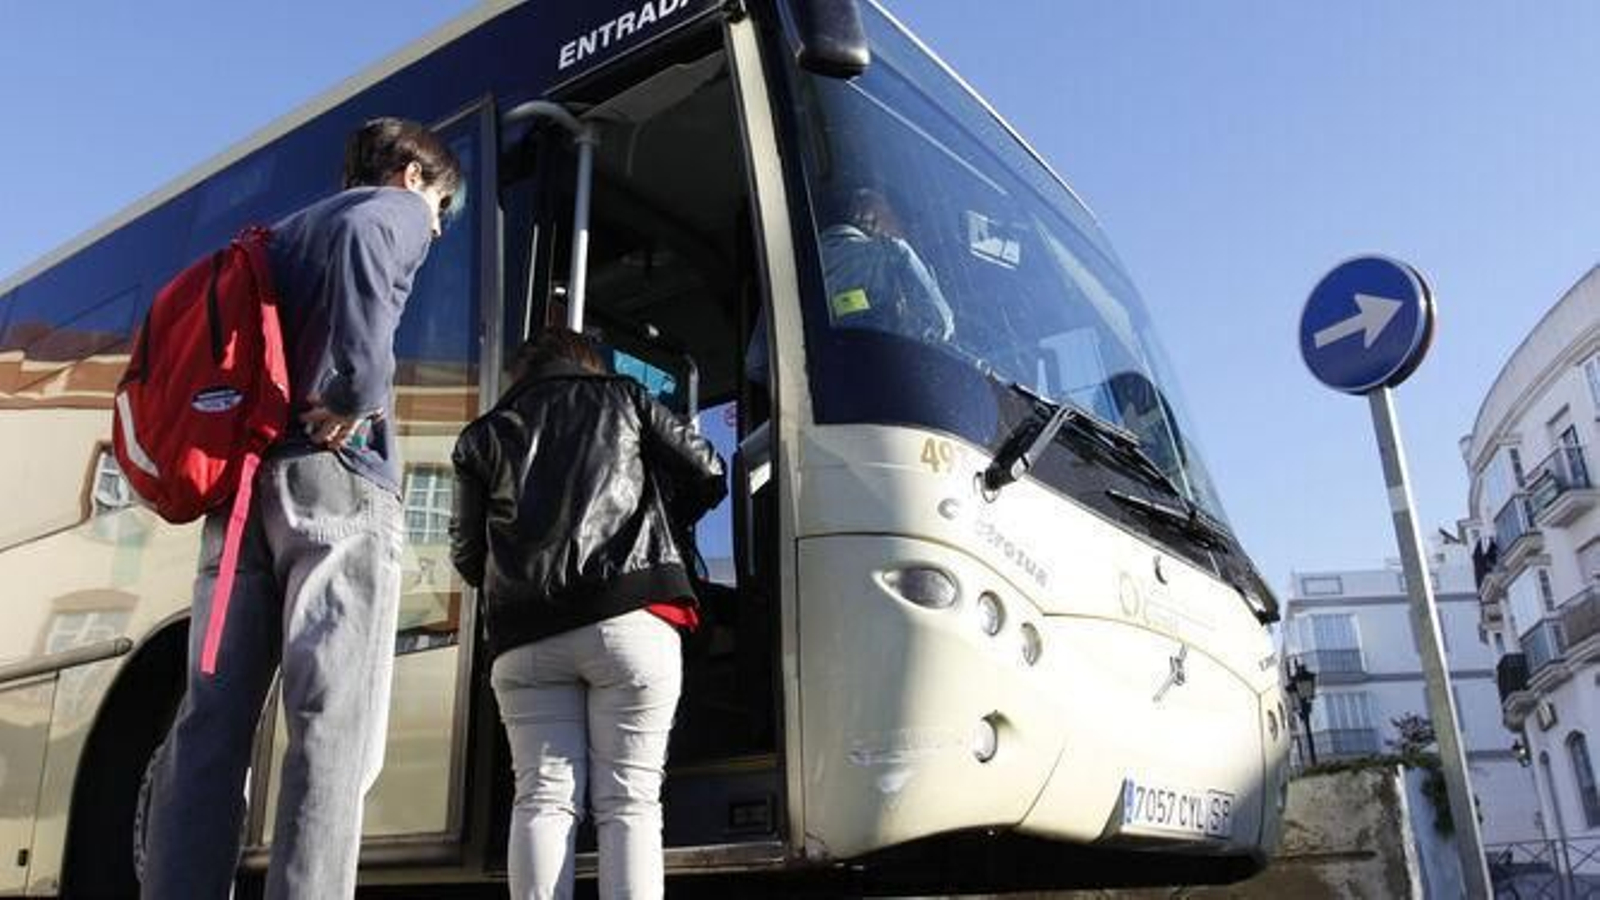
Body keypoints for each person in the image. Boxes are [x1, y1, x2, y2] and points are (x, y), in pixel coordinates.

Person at [138, 117, 461, 899]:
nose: (438, 228)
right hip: (332, 486)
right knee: (331, 722)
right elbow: (369, 245)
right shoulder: (389, 210)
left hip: (244, 499)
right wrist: (358, 389)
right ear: (415, 175)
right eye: (443, 210)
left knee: (212, 723)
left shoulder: (280, 235)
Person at [450, 328, 726, 900]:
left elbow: (468, 557)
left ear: (522, 375)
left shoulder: (481, 438)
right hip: (630, 619)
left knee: (543, 800)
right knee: (629, 802)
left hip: (524, 639)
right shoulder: (626, 398)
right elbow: (708, 470)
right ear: (588, 364)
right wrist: (661, 530)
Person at [745, 186, 954, 386]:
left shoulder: (789, 276)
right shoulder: (891, 254)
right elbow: (939, 321)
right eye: (899, 222)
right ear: (870, 216)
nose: (904, 232)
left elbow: (757, 363)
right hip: (883, 399)